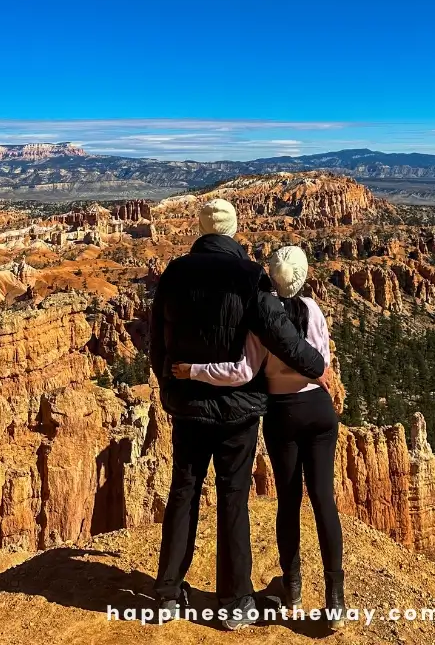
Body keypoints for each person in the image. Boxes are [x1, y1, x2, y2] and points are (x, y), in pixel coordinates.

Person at [150, 200, 330, 630]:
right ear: (234, 230)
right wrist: (317, 367)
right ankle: (235, 602)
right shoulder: (250, 276)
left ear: (200, 230)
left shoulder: (174, 273)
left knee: (184, 492)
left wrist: (171, 385)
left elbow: (158, 339)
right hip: (239, 411)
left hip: (189, 407)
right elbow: (282, 335)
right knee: (233, 497)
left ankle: (167, 594)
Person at [180, 244, 345, 631]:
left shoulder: (261, 318)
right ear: (303, 277)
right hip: (319, 412)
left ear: (271, 276)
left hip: (282, 415)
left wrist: (192, 371)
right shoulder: (314, 309)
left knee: (288, 501)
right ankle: (335, 601)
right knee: (323, 500)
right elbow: (323, 361)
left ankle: (293, 588)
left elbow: (241, 371)